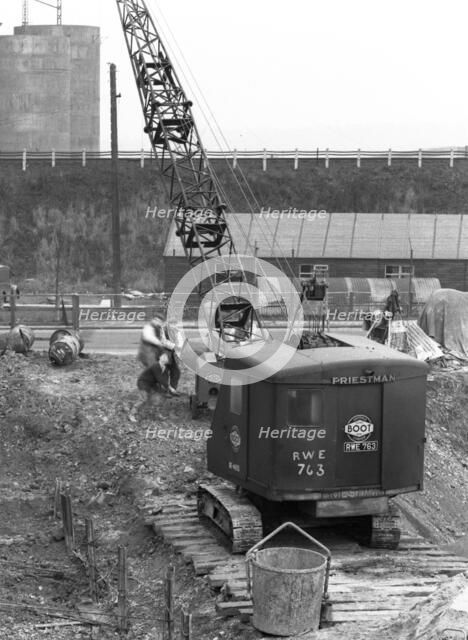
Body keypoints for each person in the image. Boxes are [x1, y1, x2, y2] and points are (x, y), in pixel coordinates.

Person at [137, 315, 181, 398]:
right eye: (172, 324)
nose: (174, 326)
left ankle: (170, 390)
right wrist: (163, 344)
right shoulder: (149, 328)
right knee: (159, 373)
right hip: (151, 354)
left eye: (175, 324)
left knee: (175, 372)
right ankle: (160, 391)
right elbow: (151, 338)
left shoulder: (165, 329)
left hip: (165, 353)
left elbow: (179, 342)